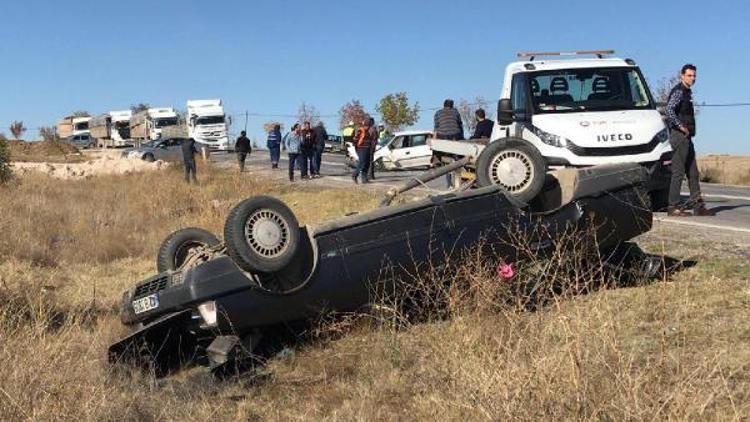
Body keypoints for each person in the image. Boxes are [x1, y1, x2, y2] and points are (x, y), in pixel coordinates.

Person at [665, 64, 715, 217]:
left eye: (694, 76)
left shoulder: (687, 92)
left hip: (687, 137)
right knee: (678, 172)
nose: (692, 78)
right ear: (682, 76)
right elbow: (669, 110)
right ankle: (673, 207)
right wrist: (681, 126)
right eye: (689, 75)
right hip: (679, 136)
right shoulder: (679, 91)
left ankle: (698, 206)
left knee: (693, 173)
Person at [434, 99, 464, 188]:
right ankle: (459, 181)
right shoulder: (455, 112)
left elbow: (436, 127)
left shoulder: (438, 113)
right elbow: (460, 125)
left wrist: (434, 140)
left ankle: (449, 184)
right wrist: (461, 138)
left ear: (443, 105)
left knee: (445, 160)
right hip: (455, 135)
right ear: (452, 106)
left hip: (443, 136)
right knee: (457, 159)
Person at [351, 117, 372, 184]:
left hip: (367, 149)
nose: (369, 127)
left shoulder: (367, 132)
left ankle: (364, 179)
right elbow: (355, 139)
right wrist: (356, 146)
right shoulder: (361, 130)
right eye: (369, 125)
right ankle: (354, 175)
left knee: (367, 163)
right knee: (362, 163)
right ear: (366, 124)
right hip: (361, 148)